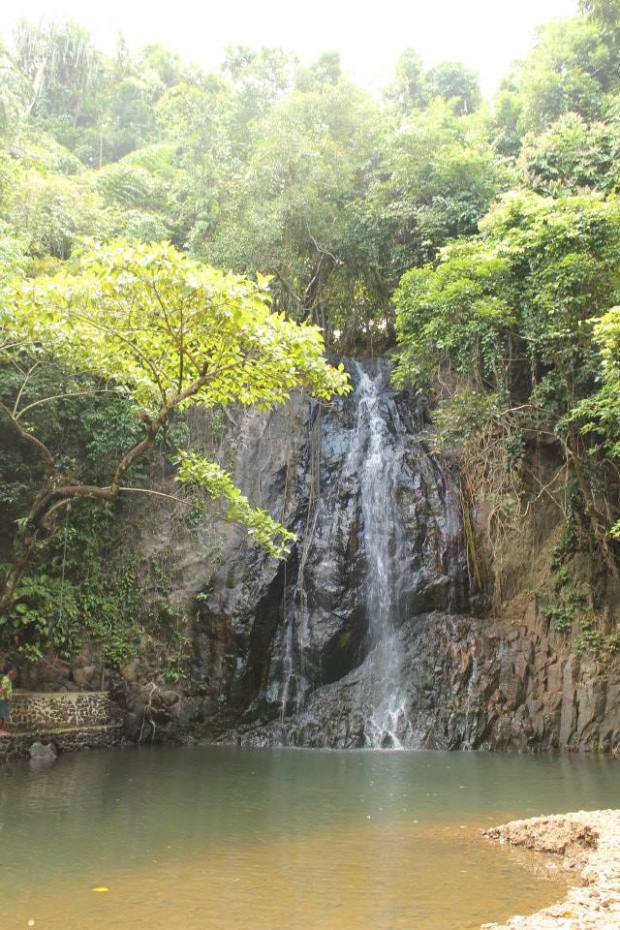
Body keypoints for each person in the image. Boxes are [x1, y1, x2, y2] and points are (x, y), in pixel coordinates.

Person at [0, 665, 17, 736]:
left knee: (4, 715)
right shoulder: (6, 679)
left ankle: (2, 730)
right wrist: (6, 697)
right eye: (13, 670)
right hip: (4, 699)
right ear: (9, 671)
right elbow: (3, 689)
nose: (14, 673)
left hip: (4, 699)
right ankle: (2, 731)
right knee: (3, 715)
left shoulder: (7, 679)